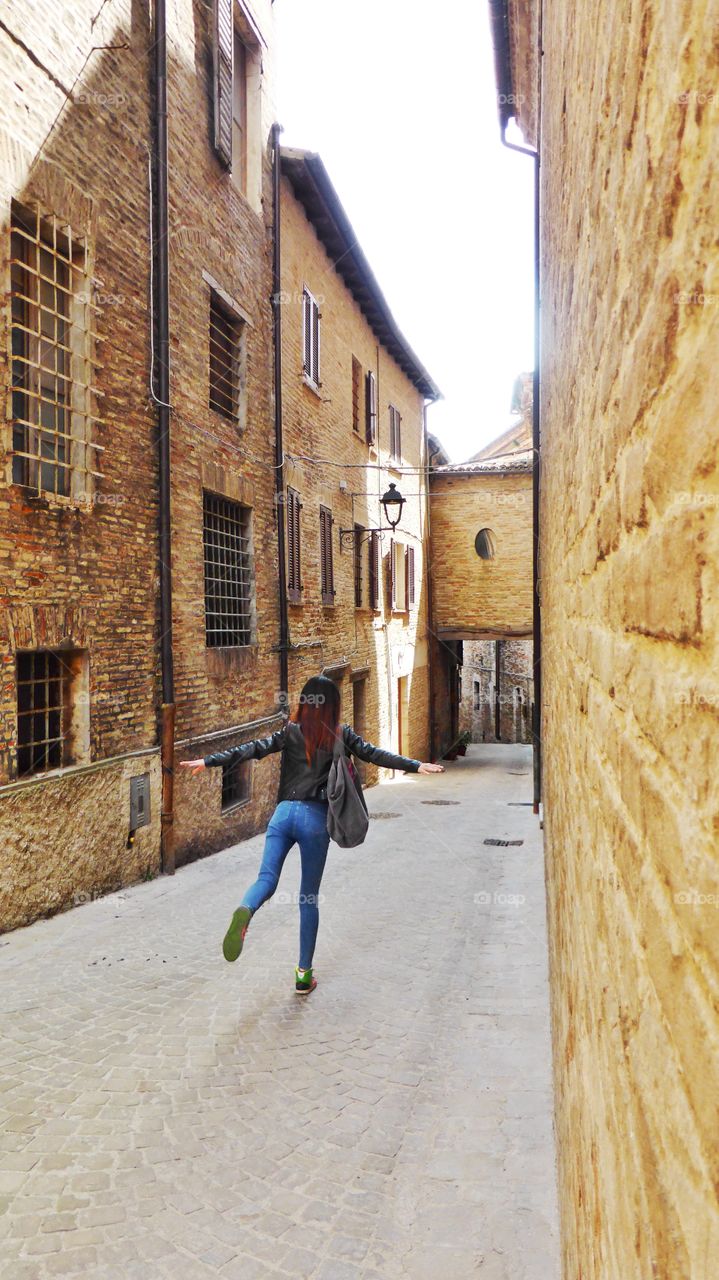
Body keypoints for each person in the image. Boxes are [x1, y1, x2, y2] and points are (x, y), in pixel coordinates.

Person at [180, 675, 444, 994]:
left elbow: (253, 749)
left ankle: (246, 909)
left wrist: (208, 760)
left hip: (282, 815)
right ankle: (303, 975)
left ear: (304, 703)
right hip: (314, 821)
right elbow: (374, 754)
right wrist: (416, 765)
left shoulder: (290, 732)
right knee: (308, 898)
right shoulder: (340, 735)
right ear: (333, 706)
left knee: (266, 880)